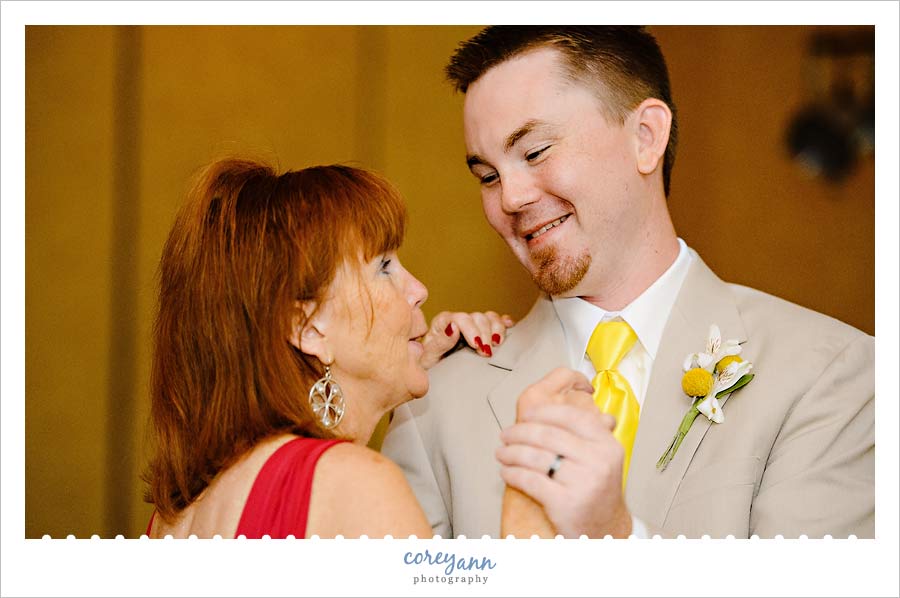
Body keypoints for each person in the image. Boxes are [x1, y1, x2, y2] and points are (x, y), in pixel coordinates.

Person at [382, 26, 875, 539]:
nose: (510, 198)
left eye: (534, 152)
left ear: (646, 137)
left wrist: (613, 536)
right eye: (487, 176)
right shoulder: (435, 401)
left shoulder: (828, 375)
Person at [143, 158, 515, 538]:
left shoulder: (175, 514)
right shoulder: (357, 487)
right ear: (308, 328)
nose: (419, 290)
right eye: (384, 266)